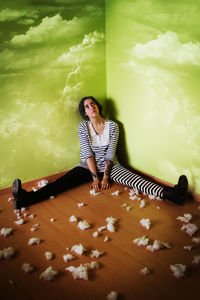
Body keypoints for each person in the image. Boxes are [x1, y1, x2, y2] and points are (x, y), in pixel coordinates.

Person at [12, 96, 188, 210]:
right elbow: (87, 153)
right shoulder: (83, 127)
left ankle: (173, 194)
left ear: (98, 107)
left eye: (93, 104)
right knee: (60, 184)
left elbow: (111, 152)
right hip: (87, 166)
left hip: (110, 166)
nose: (91, 107)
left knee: (137, 181)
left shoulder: (113, 126)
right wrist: (94, 177)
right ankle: (25, 199)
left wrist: (105, 177)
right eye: (87, 107)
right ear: (85, 113)